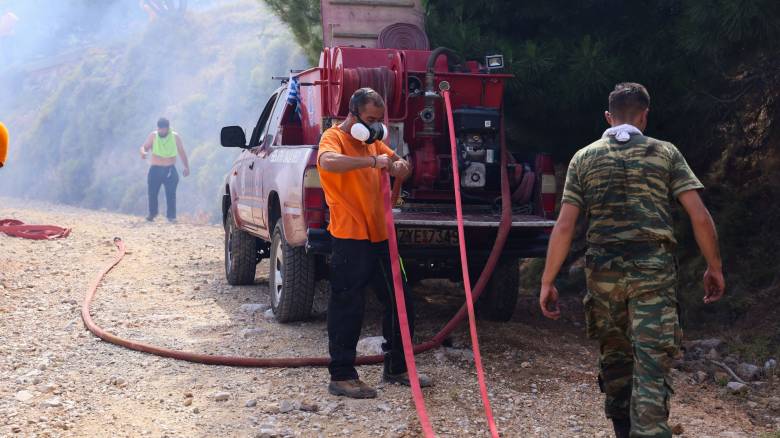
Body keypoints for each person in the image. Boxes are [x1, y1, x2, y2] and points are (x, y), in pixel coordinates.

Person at [539, 83, 725, 438]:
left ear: (608, 117)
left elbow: (565, 226)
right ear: (644, 116)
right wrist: (713, 266)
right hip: (652, 272)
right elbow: (699, 216)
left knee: (617, 357)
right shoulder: (666, 153)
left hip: (603, 275)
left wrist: (548, 280)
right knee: (652, 362)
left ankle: (624, 431)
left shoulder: (584, 157)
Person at [317, 87, 431, 399]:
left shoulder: (373, 142)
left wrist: (400, 167)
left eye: (379, 121)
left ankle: (396, 367)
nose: (375, 126)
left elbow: (397, 163)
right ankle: (341, 376)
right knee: (347, 305)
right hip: (349, 236)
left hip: (380, 235)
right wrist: (372, 164)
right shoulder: (334, 138)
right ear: (352, 116)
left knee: (401, 299)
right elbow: (327, 163)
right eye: (370, 119)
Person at [139, 117, 190, 222]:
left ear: (168, 128)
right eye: (160, 129)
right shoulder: (153, 135)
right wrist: (143, 152)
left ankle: (171, 216)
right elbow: (144, 147)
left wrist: (186, 166)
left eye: (164, 129)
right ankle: (152, 214)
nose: (162, 131)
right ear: (157, 128)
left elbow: (182, 152)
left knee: (171, 193)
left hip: (170, 169)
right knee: (152, 192)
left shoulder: (175, 137)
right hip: (155, 169)